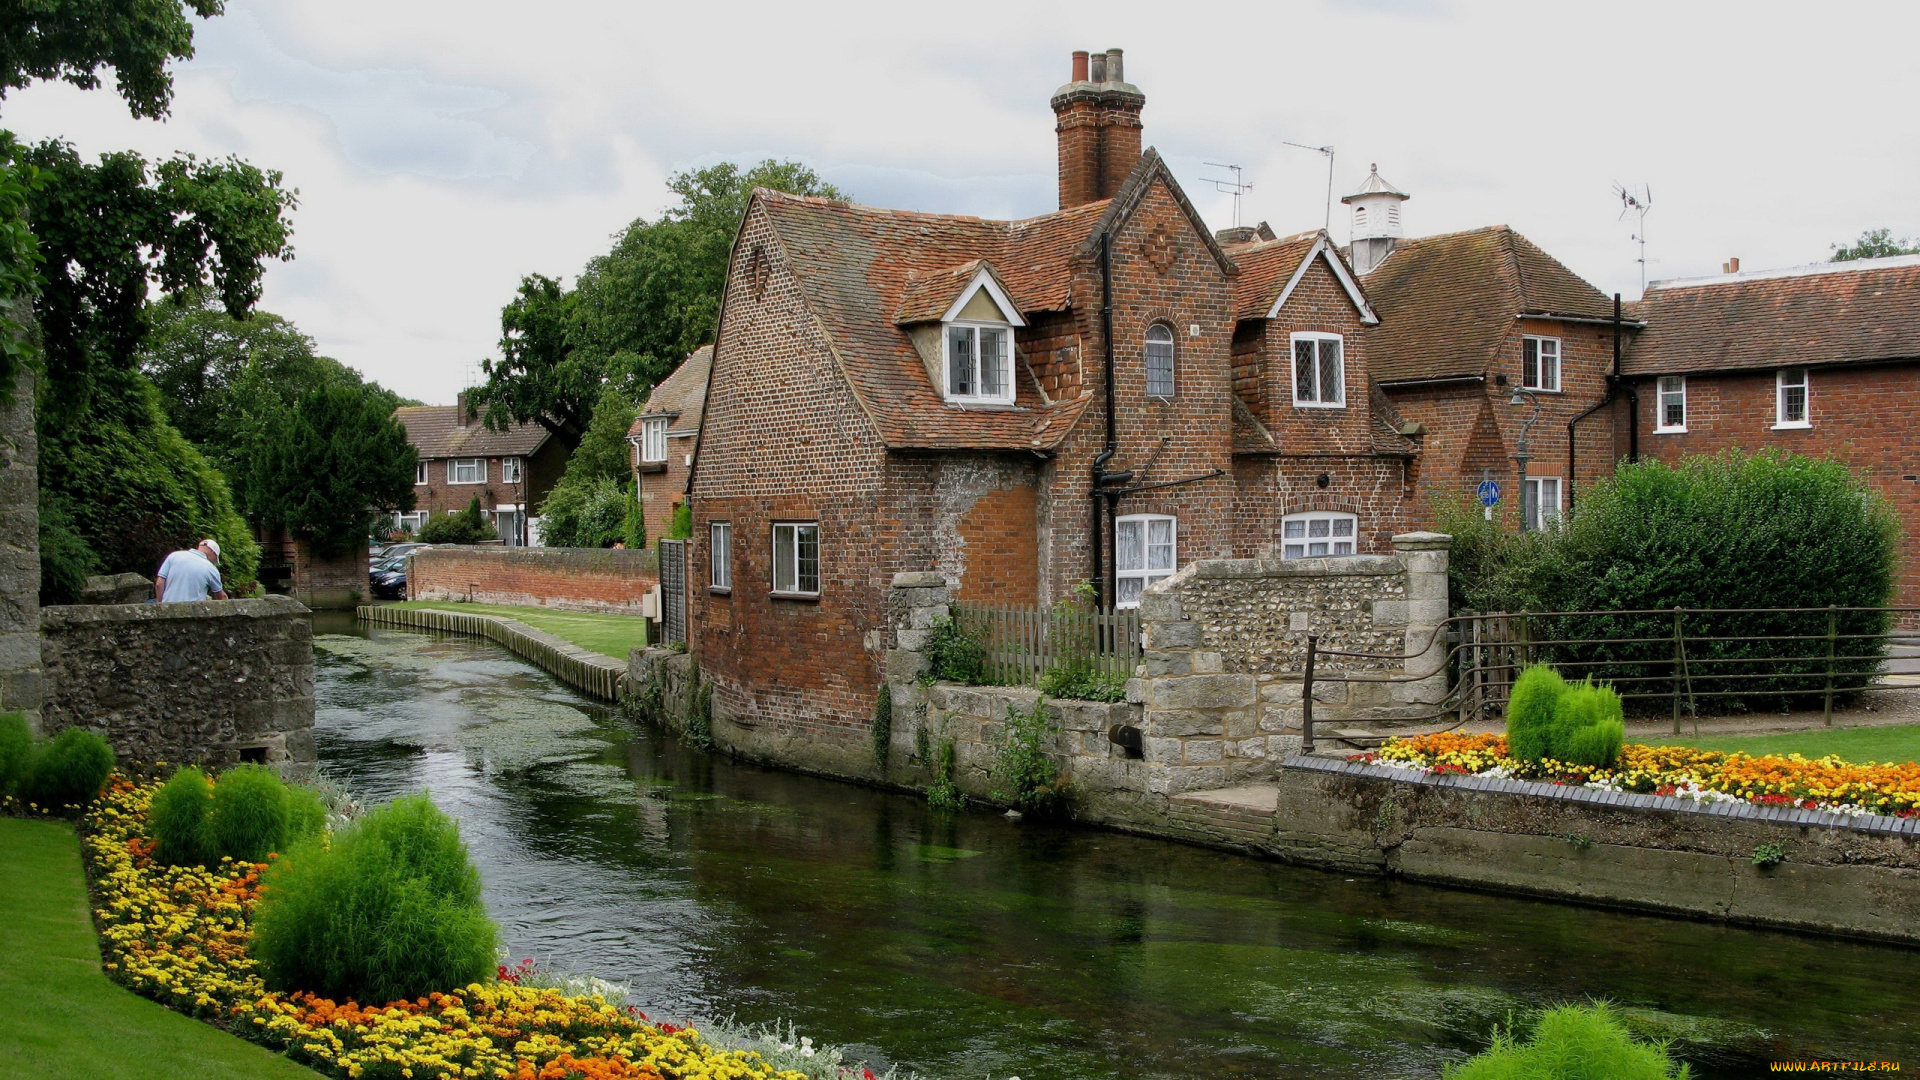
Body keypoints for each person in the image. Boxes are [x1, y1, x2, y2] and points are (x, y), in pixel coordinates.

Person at [155, 538, 229, 602]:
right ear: (212, 553)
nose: (213, 562)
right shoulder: (211, 568)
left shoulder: (174, 555)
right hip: (192, 614)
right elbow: (222, 597)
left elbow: (159, 584)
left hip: (168, 610)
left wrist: (161, 603)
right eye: (215, 560)